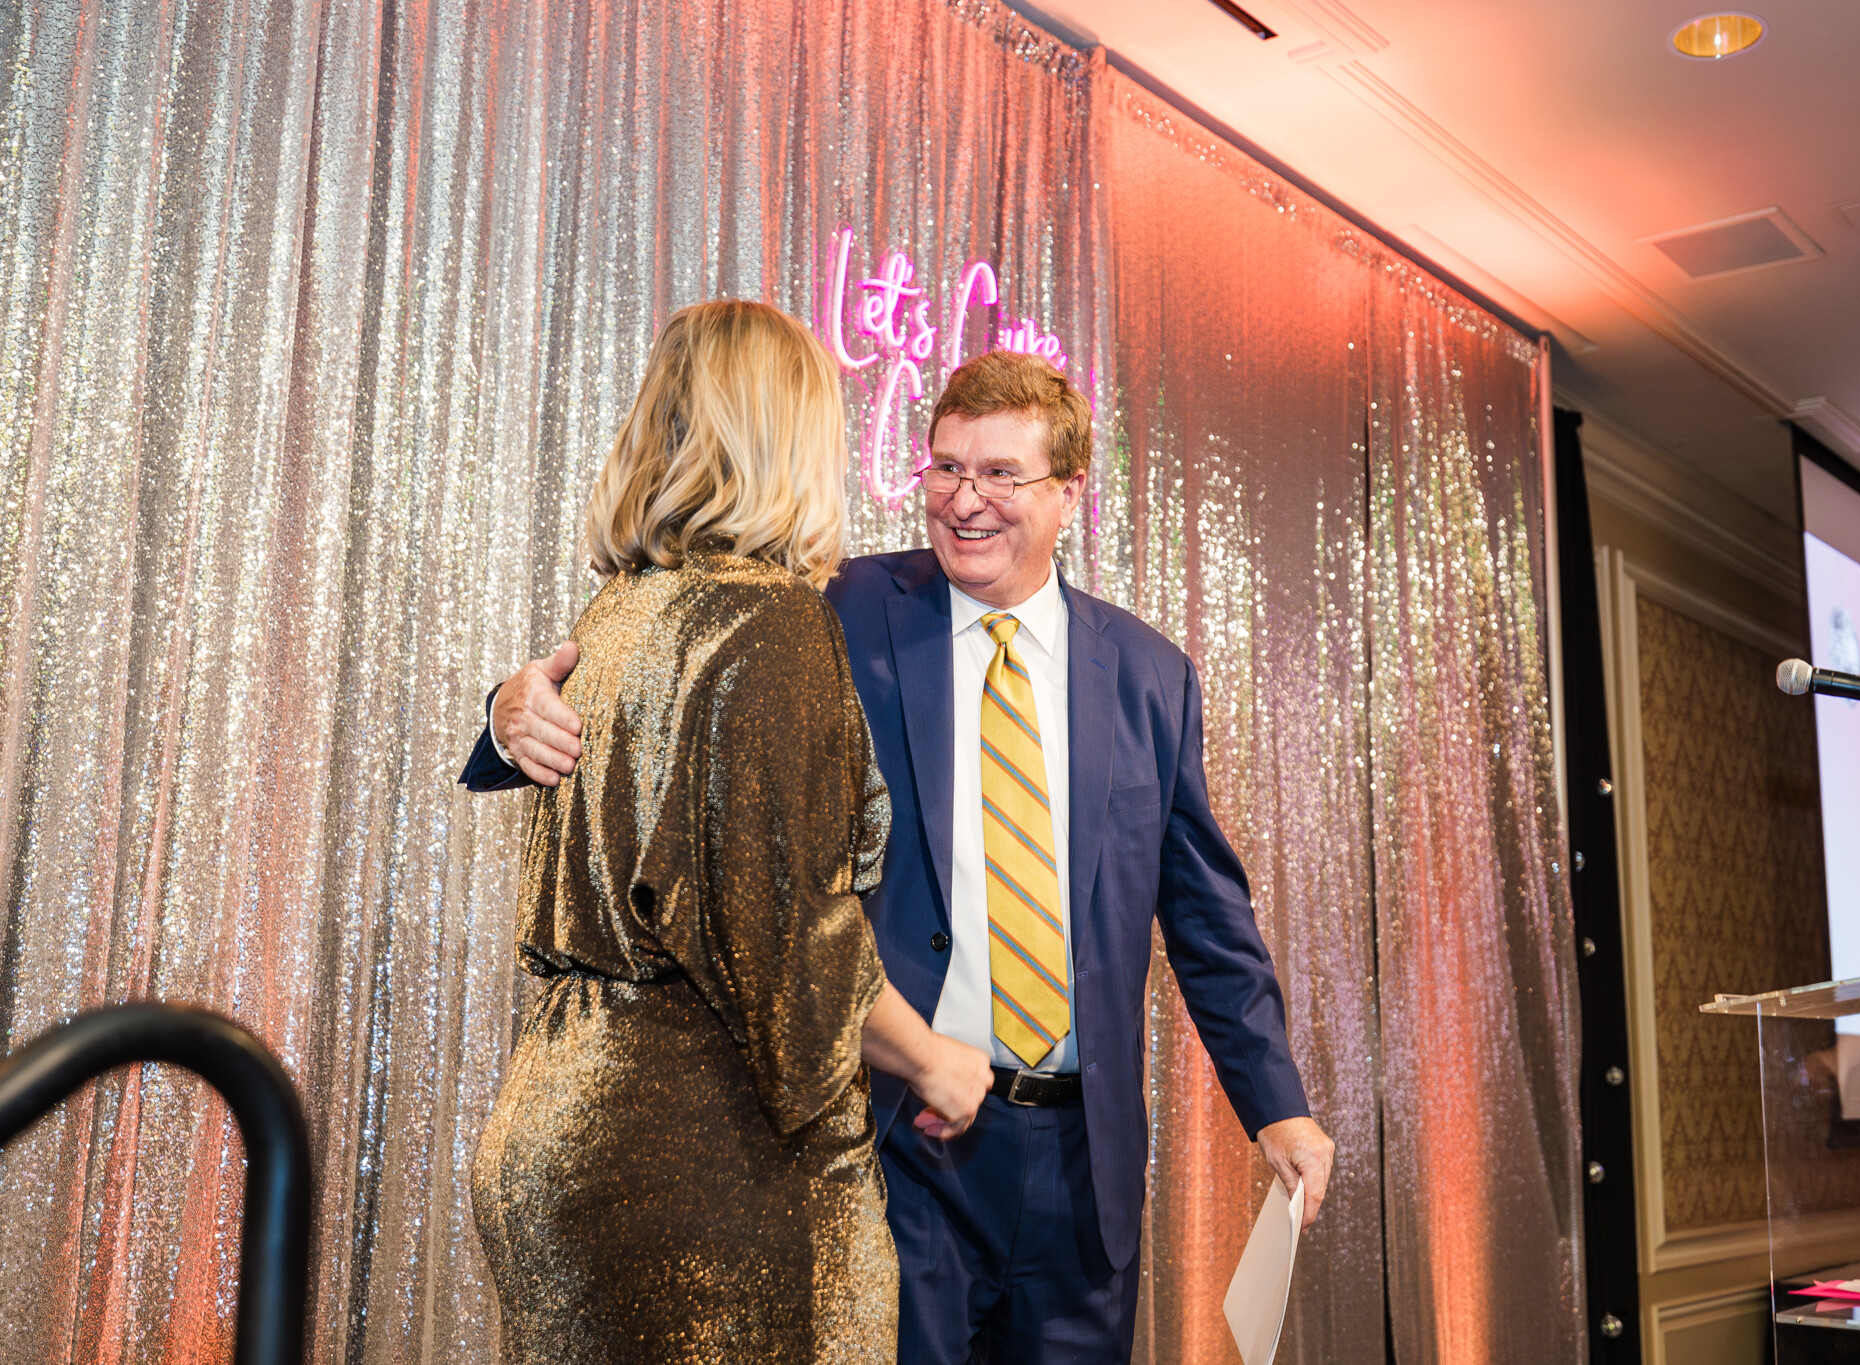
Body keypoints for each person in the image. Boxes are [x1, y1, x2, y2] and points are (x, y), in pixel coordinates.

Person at [467, 350, 1336, 1363]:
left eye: (1000, 474)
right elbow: (656, 669)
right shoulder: (831, 607)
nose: (965, 501)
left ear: (1069, 493)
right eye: (946, 468)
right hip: (903, 1142)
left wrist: (1277, 1108)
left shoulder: (1150, 675)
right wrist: (509, 710)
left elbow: (1208, 920)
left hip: (1080, 1170)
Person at [468, 299, 993, 1365]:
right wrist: (934, 1062)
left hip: (559, 1122)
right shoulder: (768, 622)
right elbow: (788, 945)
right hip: (698, 1159)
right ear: (784, 434)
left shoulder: (620, 610)